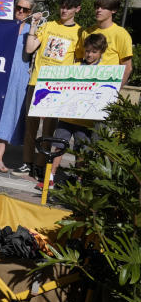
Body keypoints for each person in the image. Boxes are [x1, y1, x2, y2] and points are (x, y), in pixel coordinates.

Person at [13, 0, 83, 178]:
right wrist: (34, 25)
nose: (64, 10)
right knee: (31, 127)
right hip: (37, 81)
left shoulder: (80, 32)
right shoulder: (48, 25)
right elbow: (29, 48)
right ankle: (27, 163)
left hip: (58, 87)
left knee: (50, 130)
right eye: (62, 6)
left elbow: (79, 61)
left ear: (77, 9)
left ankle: (40, 164)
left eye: (68, 7)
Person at [37, 33, 108, 190]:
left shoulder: (105, 71)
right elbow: (59, 88)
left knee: (81, 151)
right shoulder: (74, 67)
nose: (89, 54)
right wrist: (45, 105)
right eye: (87, 51)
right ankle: (50, 177)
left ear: (101, 52)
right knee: (58, 147)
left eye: (94, 52)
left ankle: (79, 180)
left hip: (87, 120)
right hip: (66, 118)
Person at [0, 0, 34, 172]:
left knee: (8, 117)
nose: (21, 12)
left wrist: (36, 25)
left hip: (18, 78)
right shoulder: (4, 25)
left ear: (31, 12)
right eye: (18, 7)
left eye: (25, 9)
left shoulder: (33, 30)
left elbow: (31, 50)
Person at [83, 0, 134, 91]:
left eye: (104, 8)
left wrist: (115, 91)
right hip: (86, 87)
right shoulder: (87, 32)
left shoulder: (121, 34)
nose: (99, 10)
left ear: (113, 10)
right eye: (97, 7)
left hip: (107, 88)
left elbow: (127, 68)